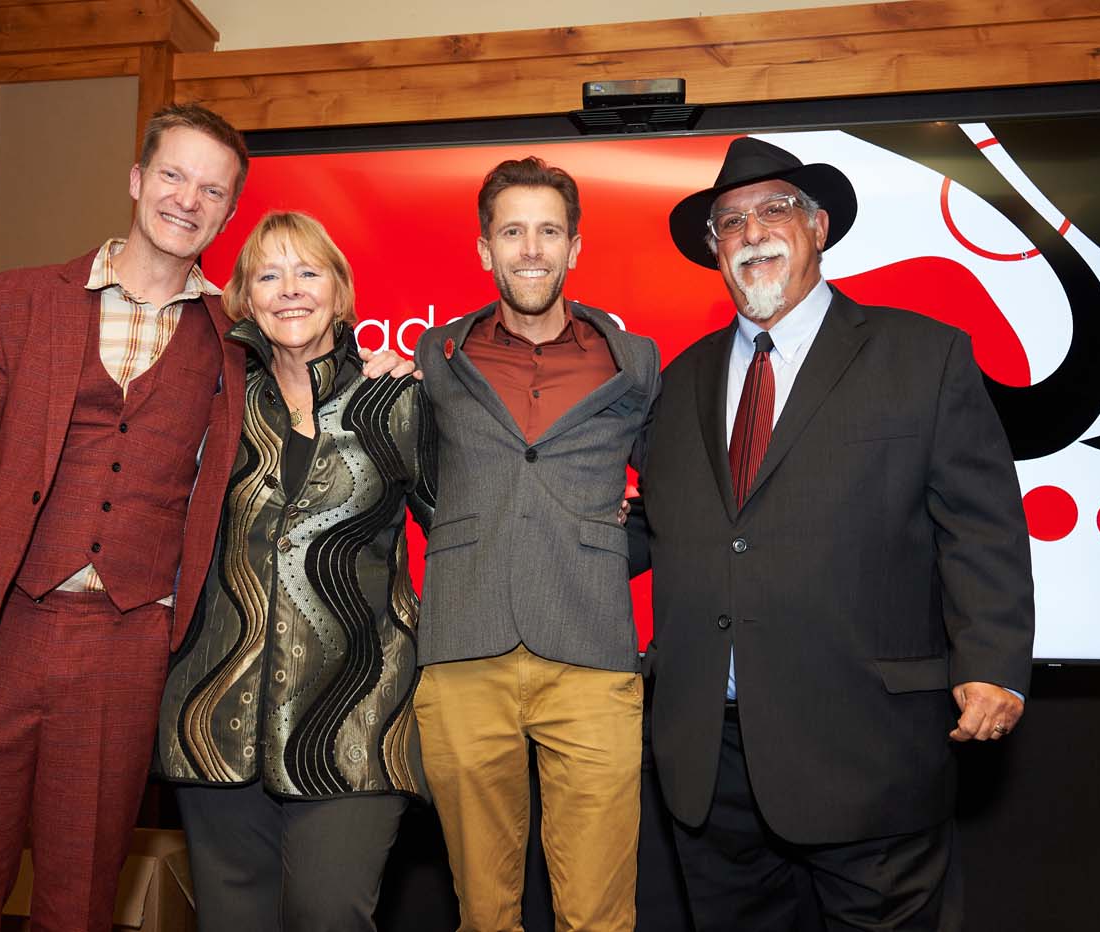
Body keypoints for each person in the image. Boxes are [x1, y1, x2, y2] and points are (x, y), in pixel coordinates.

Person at [0, 105, 407, 930]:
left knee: (82, 898)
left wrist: (380, 362)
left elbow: (315, 387)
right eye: (172, 176)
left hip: (127, 651)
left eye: (212, 190)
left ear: (227, 214)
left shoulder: (234, 345)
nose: (186, 200)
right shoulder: (15, 303)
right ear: (136, 181)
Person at [637, 135, 1036, 931]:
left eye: (773, 210)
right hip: (711, 766)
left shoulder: (923, 356)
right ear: (715, 249)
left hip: (868, 749)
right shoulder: (679, 381)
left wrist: (993, 662)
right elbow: (664, 526)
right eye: (729, 222)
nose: (751, 233)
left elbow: (981, 524)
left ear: (818, 226)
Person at [155, 211, 436, 932]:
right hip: (216, 713)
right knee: (233, 920)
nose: (289, 291)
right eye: (268, 275)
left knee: (328, 909)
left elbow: (463, 538)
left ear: (340, 293)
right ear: (243, 297)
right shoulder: (217, 404)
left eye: (308, 272)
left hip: (357, 716)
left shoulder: (396, 401)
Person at [412, 156, 660, 932]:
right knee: (483, 914)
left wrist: (618, 545)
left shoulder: (635, 362)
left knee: (599, 916)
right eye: (512, 231)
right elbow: (413, 481)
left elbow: (685, 496)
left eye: (548, 231)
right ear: (484, 249)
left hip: (590, 651)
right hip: (462, 650)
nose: (530, 249)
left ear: (575, 246)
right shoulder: (433, 358)